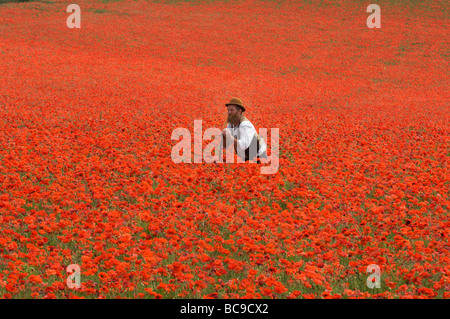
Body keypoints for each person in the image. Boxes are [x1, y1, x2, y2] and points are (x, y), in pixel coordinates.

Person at [220, 97, 267, 163]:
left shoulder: (245, 125)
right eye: (228, 110)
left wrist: (229, 137)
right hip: (245, 157)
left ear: (239, 111)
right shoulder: (230, 124)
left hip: (258, 158)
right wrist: (224, 137)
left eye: (232, 110)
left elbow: (244, 145)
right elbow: (225, 146)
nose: (229, 112)